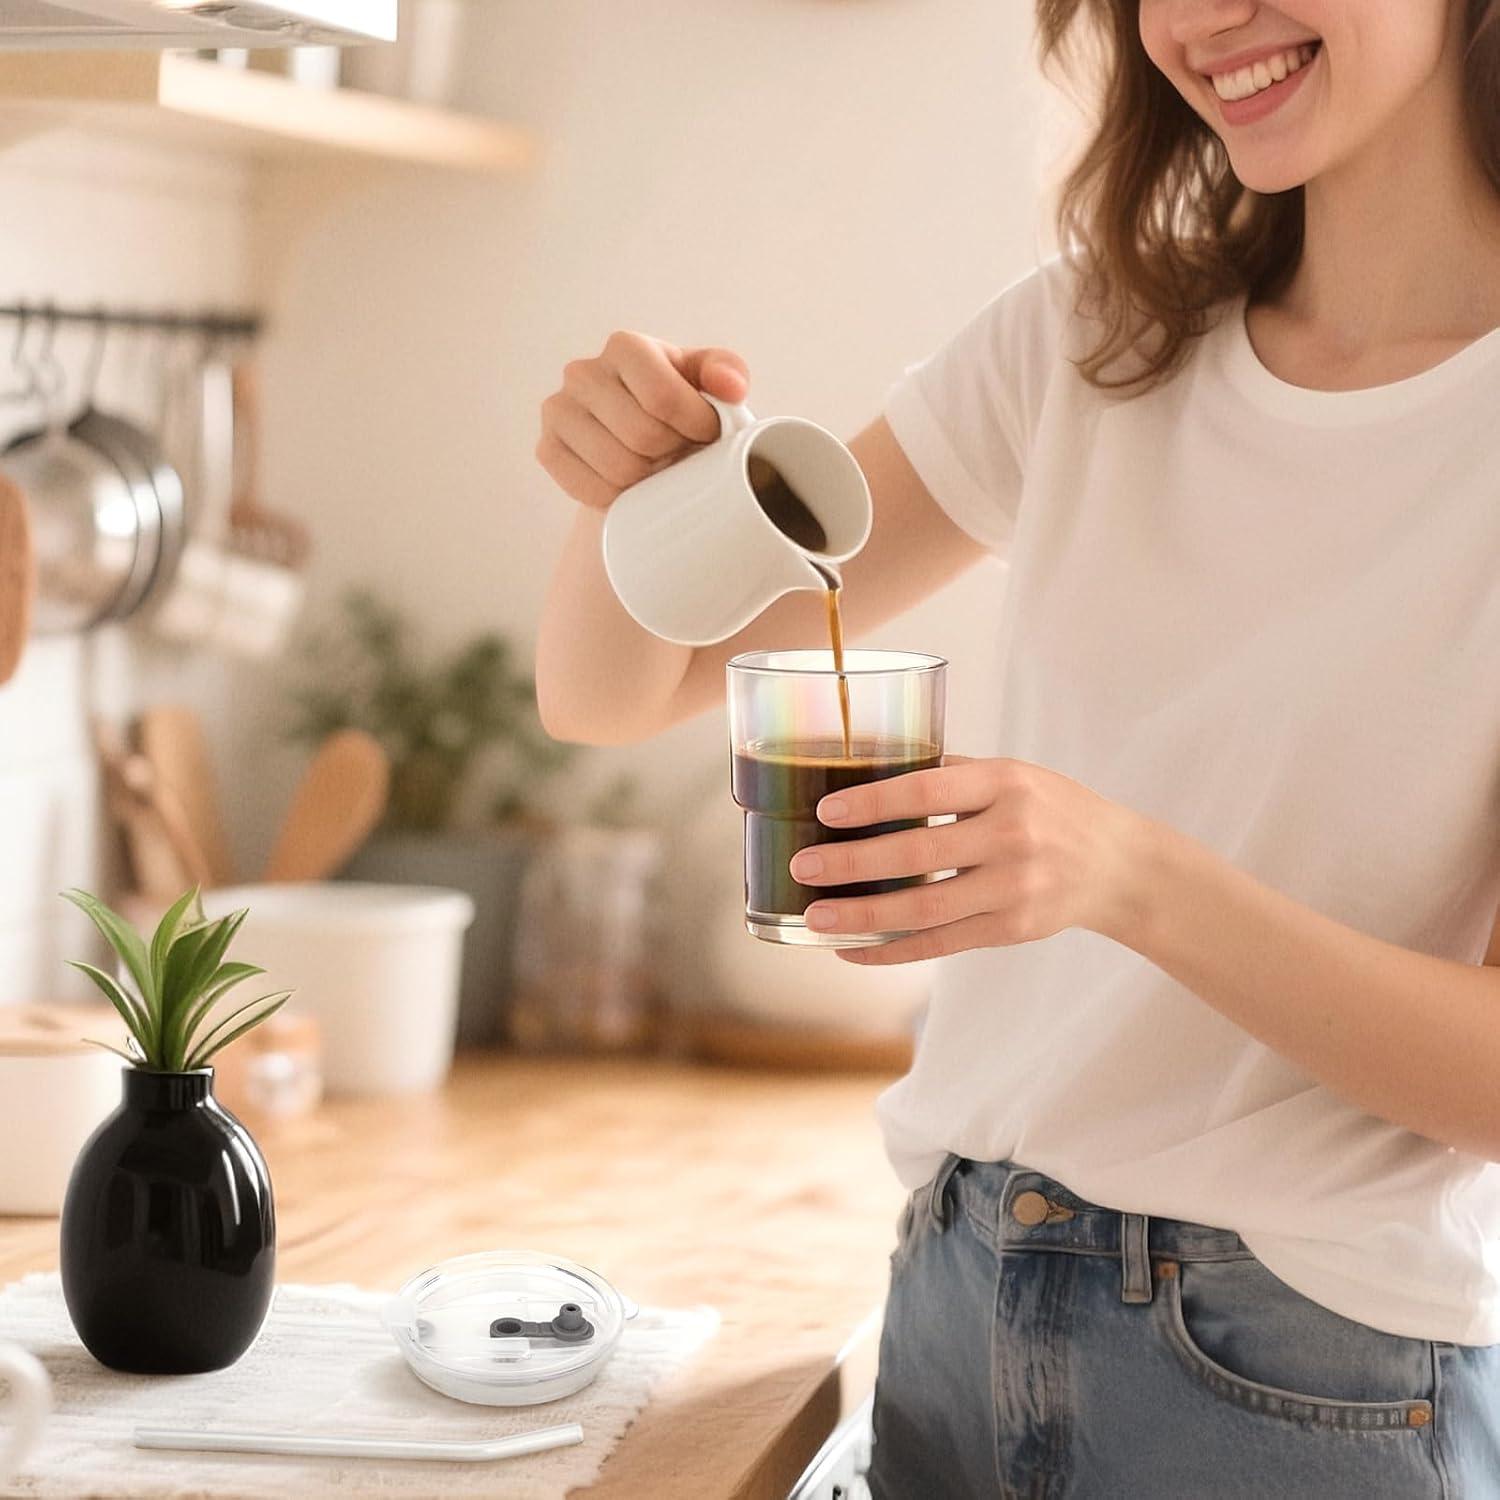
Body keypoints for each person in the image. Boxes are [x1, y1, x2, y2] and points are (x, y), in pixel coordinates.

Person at [534, 0, 1500, 1491]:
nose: (1203, 17)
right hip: (957, 1292)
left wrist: (1129, 878)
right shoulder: (1091, 339)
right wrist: (629, 489)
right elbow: (620, 688)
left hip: (1314, 1375)